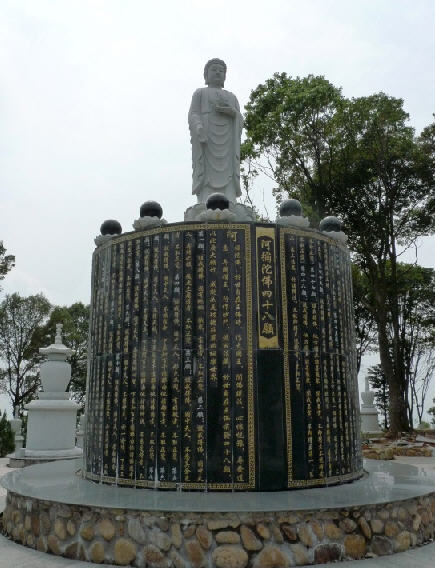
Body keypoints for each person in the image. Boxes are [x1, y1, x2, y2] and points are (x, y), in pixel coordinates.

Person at [188, 59, 243, 204]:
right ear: (206, 74)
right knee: (206, 171)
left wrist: (232, 112)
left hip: (228, 142)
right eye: (214, 70)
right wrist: (198, 127)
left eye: (221, 71)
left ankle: (230, 200)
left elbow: (239, 118)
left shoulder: (231, 97)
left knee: (228, 171)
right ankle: (205, 201)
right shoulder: (200, 93)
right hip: (206, 139)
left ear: (225, 75)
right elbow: (193, 114)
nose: (218, 73)